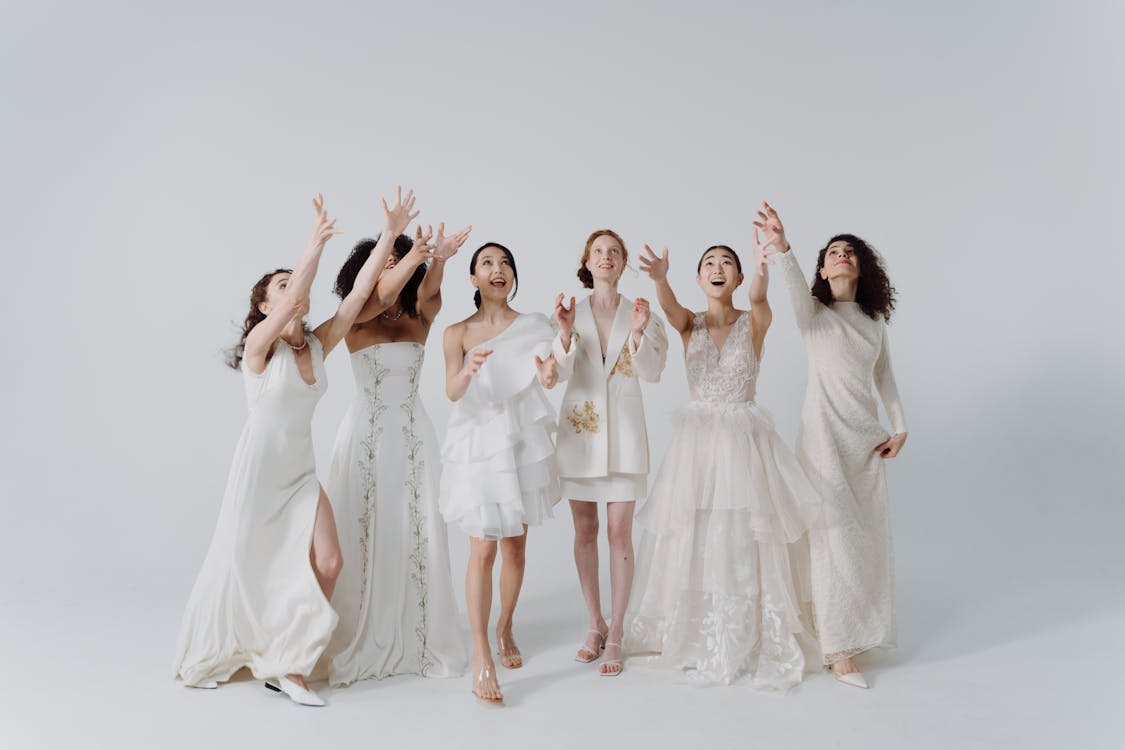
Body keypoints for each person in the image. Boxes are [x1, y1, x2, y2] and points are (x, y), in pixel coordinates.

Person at [175, 191, 413, 706]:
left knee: (329, 563)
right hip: (260, 473)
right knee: (252, 565)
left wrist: (390, 233)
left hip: (300, 473)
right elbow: (290, 302)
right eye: (281, 288)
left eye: (294, 283)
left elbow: (355, 301)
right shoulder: (260, 351)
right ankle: (277, 661)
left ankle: (289, 661)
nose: (293, 292)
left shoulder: (319, 344)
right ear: (263, 307)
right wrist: (313, 245)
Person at [625, 238, 821, 690]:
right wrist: (658, 278)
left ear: (734, 277)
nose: (718, 268)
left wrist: (760, 269)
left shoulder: (755, 321)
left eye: (727, 264)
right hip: (696, 445)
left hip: (743, 443)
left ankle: (744, 630)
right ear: (700, 278)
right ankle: (696, 631)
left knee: (742, 532)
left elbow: (758, 297)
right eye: (710, 264)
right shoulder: (688, 325)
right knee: (695, 529)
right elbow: (670, 306)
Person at [760, 202, 907, 689]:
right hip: (822, 441)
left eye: (850, 252)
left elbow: (885, 378)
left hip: (865, 445)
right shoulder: (813, 315)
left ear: (860, 267)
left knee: (863, 543)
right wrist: (782, 245)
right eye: (834, 252)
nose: (842, 255)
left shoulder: (873, 322)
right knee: (831, 538)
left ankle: (855, 632)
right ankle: (838, 650)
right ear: (823, 269)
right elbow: (792, 288)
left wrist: (900, 426)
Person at [323, 206, 473, 685]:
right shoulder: (357, 317)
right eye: (384, 260)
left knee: (417, 528)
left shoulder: (421, 315)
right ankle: (355, 631)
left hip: (412, 438)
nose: (393, 267)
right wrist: (400, 253)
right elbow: (374, 293)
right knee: (361, 528)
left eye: (398, 260)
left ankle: (418, 632)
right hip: (364, 436)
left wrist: (440, 261)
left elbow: (428, 291)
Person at [439, 242, 561, 704]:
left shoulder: (534, 326)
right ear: (473, 278)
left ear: (512, 276)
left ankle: (506, 623)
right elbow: (451, 391)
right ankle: (480, 649)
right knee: (482, 550)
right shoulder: (456, 332)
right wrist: (467, 370)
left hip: (518, 440)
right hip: (478, 442)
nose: (498, 269)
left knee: (515, 544)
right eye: (487, 263)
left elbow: (548, 376)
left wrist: (554, 363)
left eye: (505, 262)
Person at [551, 229, 667, 676]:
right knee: (585, 530)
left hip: (624, 439)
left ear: (622, 265)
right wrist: (562, 334)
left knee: (619, 533)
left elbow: (654, 371)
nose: (606, 257)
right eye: (598, 251)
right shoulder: (569, 313)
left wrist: (637, 335)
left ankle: (616, 630)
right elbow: (554, 374)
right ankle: (594, 623)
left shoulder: (640, 312)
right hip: (580, 436)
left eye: (614, 252)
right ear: (587, 261)